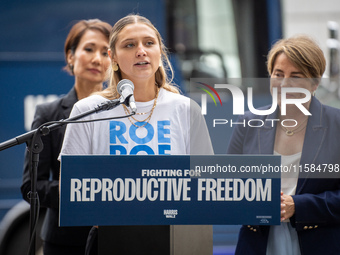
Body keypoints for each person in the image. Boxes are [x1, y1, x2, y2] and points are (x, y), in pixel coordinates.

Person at [58, 14, 213, 254]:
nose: (141, 51)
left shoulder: (185, 109)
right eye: (129, 45)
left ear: (159, 52)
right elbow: (70, 188)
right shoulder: (86, 110)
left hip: (175, 239)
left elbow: (205, 181)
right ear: (113, 58)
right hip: (110, 240)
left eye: (149, 43)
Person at [227, 35, 340, 255]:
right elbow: (228, 186)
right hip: (258, 243)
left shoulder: (336, 124)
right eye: (278, 74)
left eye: (295, 76)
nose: (284, 84)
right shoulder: (248, 124)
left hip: (321, 242)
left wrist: (298, 205)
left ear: (315, 83)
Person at [21, 19, 112, 255]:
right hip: (64, 240)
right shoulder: (49, 113)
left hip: (116, 236)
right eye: (89, 49)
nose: (97, 59)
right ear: (71, 56)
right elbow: (30, 186)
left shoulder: (122, 111)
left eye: (106, 52)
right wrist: (73, 191)